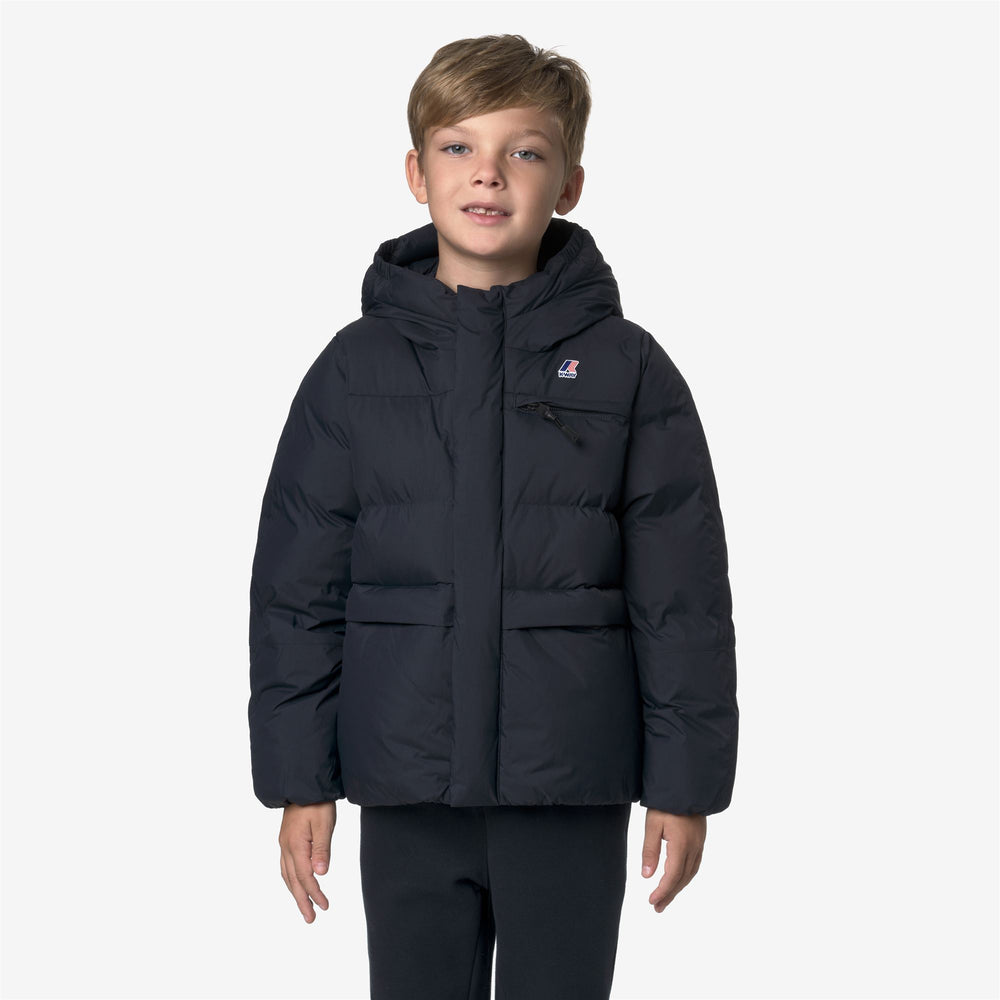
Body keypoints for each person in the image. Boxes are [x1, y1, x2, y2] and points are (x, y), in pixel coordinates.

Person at [248, 32, 739, 1000]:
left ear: (570, 184)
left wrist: (684, 786)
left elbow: (682, 599)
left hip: (570, 776)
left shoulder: (627, 369)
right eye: (457, 146)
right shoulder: (354, 368)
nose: (488, 173)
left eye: (524, 149)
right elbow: (297, 592)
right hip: (404, 775)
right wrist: (300, 778)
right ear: (415, 173)